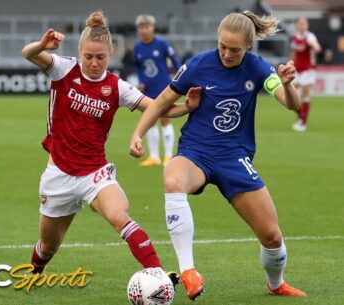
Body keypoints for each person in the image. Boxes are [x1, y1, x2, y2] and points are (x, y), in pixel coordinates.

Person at [130, 11, 307, 301]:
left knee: (272, 237)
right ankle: (188, 271)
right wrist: (137, 133)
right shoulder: (198, 65)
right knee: (173, 179)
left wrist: (287, 84)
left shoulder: (258, 68)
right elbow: (161, 101)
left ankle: (276, 283)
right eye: (222, 46)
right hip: (196, 152)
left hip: (234, 158)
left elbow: (291, 104)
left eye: (234, 49)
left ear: (248, 46)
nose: (226, 53)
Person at [21, 10, 199, 279]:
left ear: (111, 55)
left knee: (120, 216)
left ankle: (158, 275)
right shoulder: (63, 68)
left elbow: (156, 108)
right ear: (80, 52)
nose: (94, 63)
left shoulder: (117, 87)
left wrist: (187, 107)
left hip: (95, 173)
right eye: (88, 57)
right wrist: (42, 46)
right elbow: (28, 53)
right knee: (48, 245)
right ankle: (35, 271)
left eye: (101, 57)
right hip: (58, 174)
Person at [133, 15, 181, 167]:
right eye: (141, 27)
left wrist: (181, 76)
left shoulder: (162, 44)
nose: (144, 30)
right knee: (150, 121)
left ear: (152, 28)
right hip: (147, 88)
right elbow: (138, 67)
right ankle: (154, 156)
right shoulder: (137, 48)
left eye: (147, 27)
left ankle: (168, 156)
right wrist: (140, 80)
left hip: (163, 86)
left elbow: (175, 61)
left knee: (165, 119)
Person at [291, 16, 321, 132]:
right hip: (297, 69)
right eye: (300, 23)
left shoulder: (310, 37)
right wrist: (291, 65)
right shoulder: (294, 37)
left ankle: (303, 123)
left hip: (308, 70)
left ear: (307, 25)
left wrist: (315, 46)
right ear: (297, 25)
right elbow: (293, 53)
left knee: (304, 94)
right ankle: (301, 117)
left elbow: (316, 46)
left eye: (304, 24)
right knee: (291, 96)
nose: (302, 26)